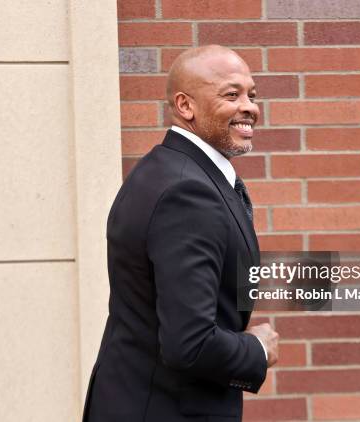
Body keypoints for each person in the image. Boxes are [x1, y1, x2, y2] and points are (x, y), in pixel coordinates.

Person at [83, 45, 280, 422]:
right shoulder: (187, 193)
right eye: (231, 94)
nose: (250, 107)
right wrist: (255, 349)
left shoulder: (169, 170)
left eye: (252, 95)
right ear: (185, 106)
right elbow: (190, 343)